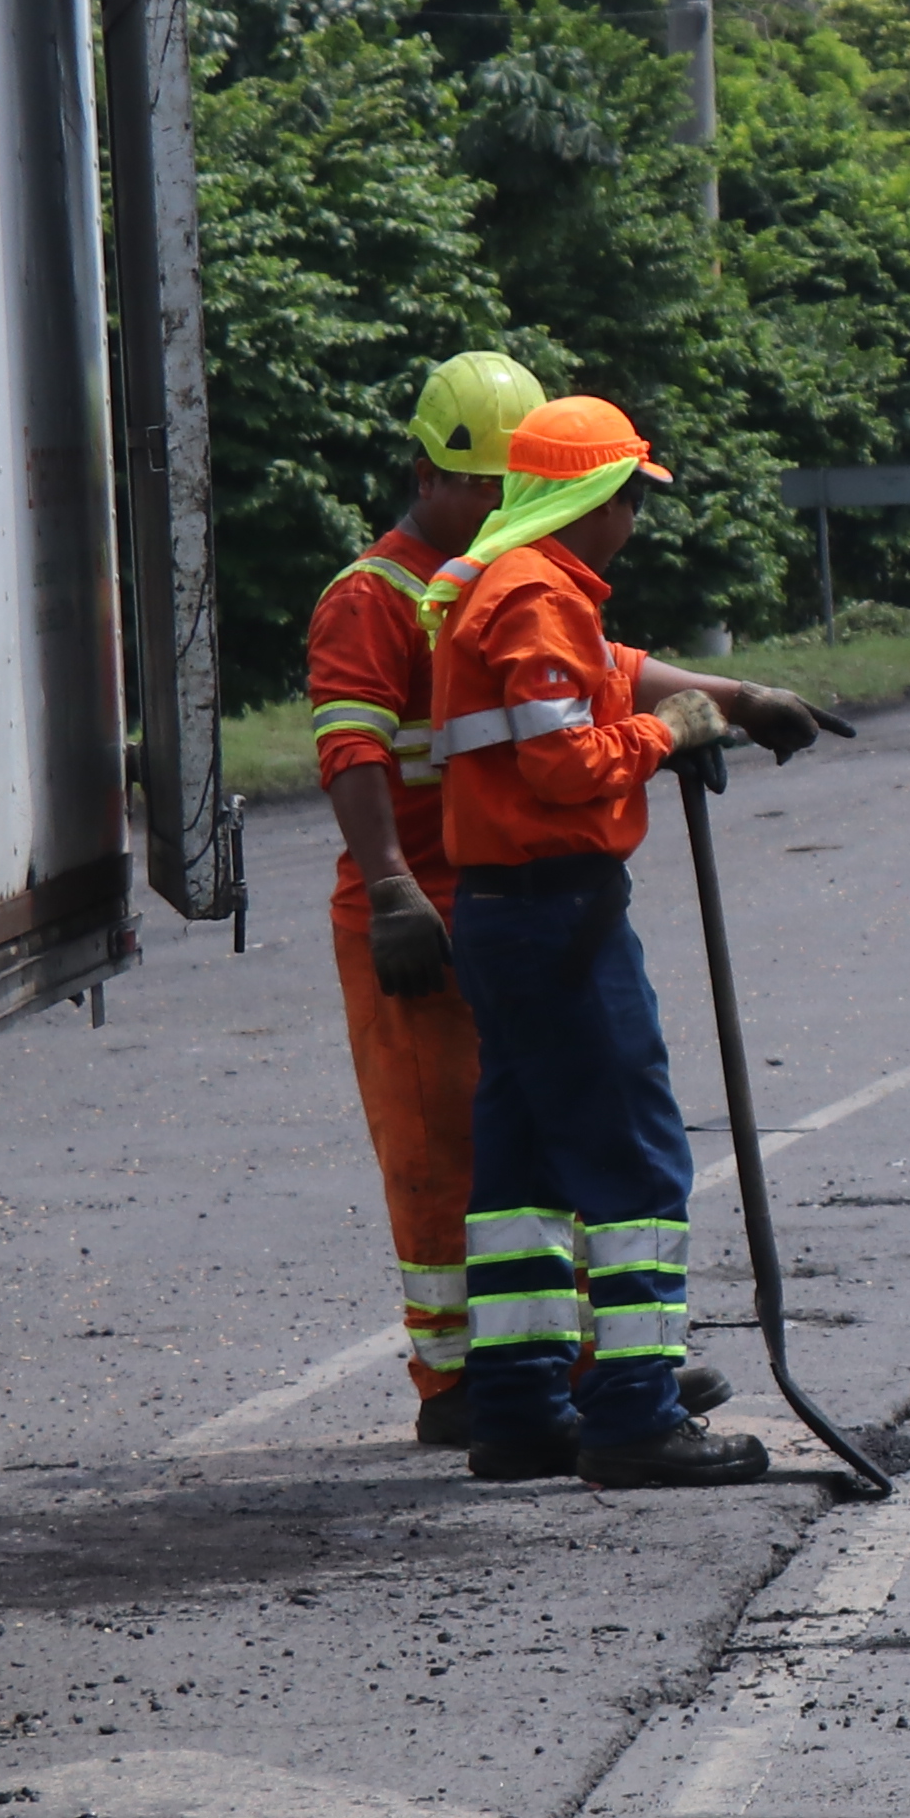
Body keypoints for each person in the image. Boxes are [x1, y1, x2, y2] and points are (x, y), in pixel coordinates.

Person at [426, 397, 827, 1485]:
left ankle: (516, 1405)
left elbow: (616, 665)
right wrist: (678, 731)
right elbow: (565, 763)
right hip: (559, 913)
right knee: (638, 1156)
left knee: (518, 1172)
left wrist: (733, 698)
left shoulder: (490, 583)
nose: (636, 520)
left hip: (504, 914)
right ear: (593, 497)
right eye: (632, 498)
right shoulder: (535, 600)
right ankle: (637, 1412)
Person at [303, 352, 537, 1444]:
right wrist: (394, 887)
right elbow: (350, 746)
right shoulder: (371, 598)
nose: (497, 505)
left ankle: (557, 1363)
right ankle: (455, 1386)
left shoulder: (502, 586)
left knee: (533, 1141)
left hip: (496, 905)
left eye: (513, 485)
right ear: (424, 474)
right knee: (440, 1152)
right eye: (480, 483)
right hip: (414, 920)